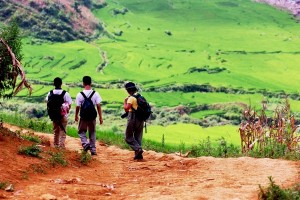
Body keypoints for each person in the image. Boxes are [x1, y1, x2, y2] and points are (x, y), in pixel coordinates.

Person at [75, 76, 103, 156]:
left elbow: (78, 106)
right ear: (91, 83)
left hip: (83, 116)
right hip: (92, 116)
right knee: (92, 132)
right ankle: (93, 150)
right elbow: (98, 106)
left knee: (81, 131)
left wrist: (76, 116)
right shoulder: (95, 93)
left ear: (83, 83)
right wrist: (100, 117)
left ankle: (85, 144)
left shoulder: (79, 94)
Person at [46, 77, 72, 149]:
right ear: (61, 84)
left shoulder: (50, 93)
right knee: (62, 132)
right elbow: (69, 105)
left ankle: (56, 145)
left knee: (56, 131)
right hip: (63, 115)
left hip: (54, 116)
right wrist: (65, 112)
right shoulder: (65, 93)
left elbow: (47, 103)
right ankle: (61, 146)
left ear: (54, 84)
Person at [123, 82, 144, 160]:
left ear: (128, 90)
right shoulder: (140, 96)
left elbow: (126, 109)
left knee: (128, 137)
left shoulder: (131, 98)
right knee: (138, 137)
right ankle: (139, 156)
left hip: (133, 117)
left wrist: (125, 101)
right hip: (141, 119)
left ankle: (138, 149)